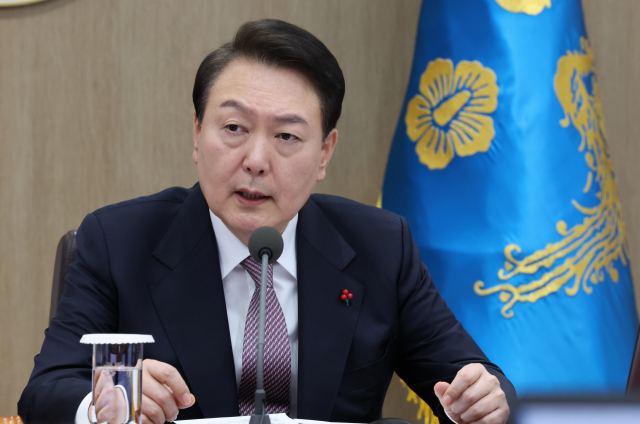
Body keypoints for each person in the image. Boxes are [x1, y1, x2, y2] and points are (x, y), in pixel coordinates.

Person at [19, 19, 516, 424]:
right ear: (197, 134)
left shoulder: (381, 247)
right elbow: (46, 391)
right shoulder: (119, 242)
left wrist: (482, 398)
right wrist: (107, 404)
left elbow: (474, 377)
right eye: (234, 128)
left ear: (325, 153)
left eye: (286, 137)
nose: (256, 161)